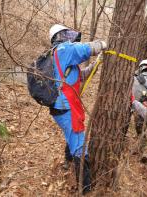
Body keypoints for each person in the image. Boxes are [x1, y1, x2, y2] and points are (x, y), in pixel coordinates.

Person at [48, 24, 107, 195]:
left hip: (61, 108)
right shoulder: (63, 49)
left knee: (71, 135)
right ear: (60, 36)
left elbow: (80, 76)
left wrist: (97, 63)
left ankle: (67, 162)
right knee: (80, 147)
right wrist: (104, 44)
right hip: (67, 108)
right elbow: (85, 49)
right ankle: (85, 189)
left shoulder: (58, 57)